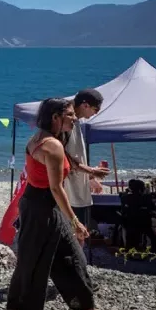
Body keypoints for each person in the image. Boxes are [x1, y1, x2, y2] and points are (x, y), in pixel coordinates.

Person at [1, 98, 121, 310]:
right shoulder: (51, 145)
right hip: (42, 208)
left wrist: (89, 171)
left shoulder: (43, 138)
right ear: (56, 117)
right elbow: (56, 188)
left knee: (69, 259)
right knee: (32, 262)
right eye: (70, 114)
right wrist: (75, 221)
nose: (75, 118)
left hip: (38, 205)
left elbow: (66, 164)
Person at [64, 89, 111, 231]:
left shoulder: (76, 123)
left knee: (79, 234)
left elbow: (75, 155)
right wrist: (91, 170)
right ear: (85, 105)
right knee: (74, 234)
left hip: (78, 188)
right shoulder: (67, 125)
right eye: (95, 109)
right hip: (68, 190)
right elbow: (63, 155)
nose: (95, 114)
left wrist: (90, 176)